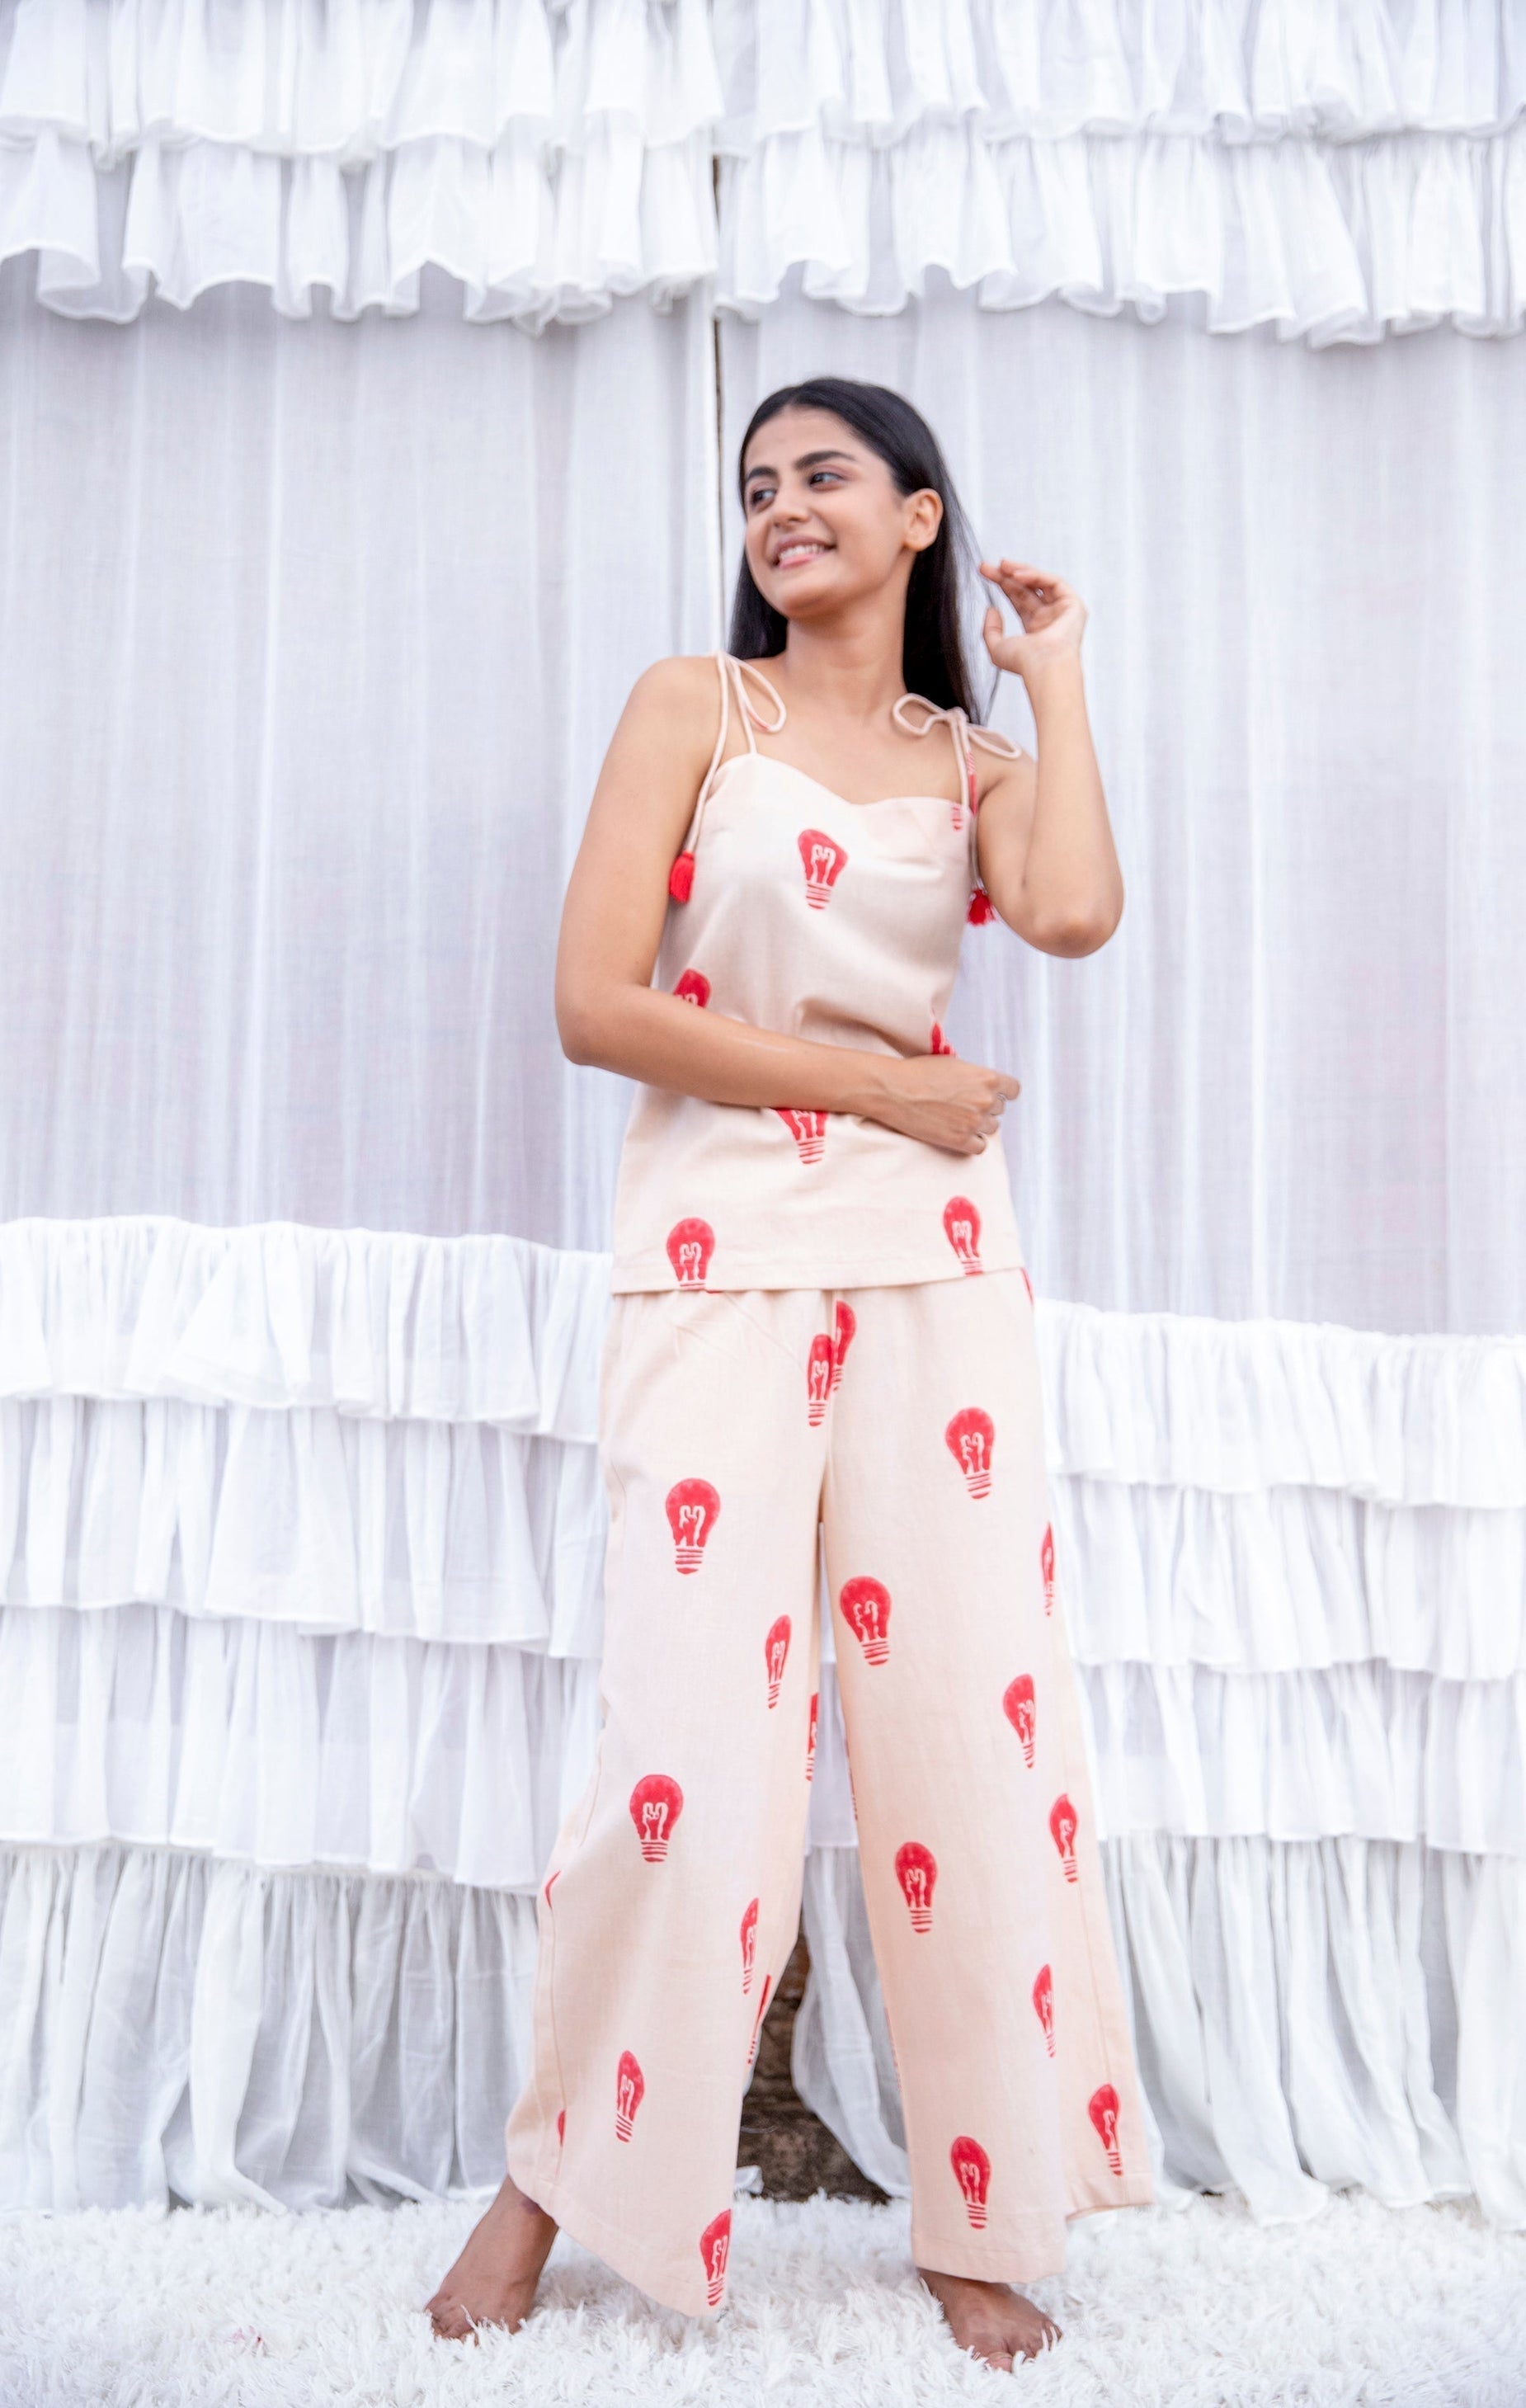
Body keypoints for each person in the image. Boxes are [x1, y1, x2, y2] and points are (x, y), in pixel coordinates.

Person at [426, 375, 1153, 2372]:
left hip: (933, 1274)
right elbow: (593, 1005)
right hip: (717, 1256)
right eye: (756, 485)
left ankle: (984, 2203)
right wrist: (878, 1085)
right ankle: (555, 2178)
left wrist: (1054, 677)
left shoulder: (968, 760)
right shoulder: (696, 706)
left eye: (824, 474)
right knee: (685, 1751)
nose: (780, 507)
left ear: (920, 515)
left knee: (968, 1734)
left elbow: (1074, 912)